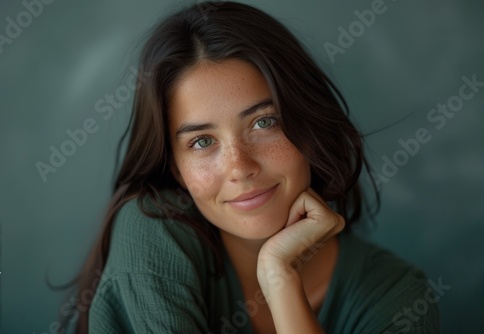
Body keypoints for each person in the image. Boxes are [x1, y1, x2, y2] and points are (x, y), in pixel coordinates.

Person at [69, 1, 440, 333]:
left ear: (308, 125)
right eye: (201, 142)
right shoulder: (152, 235)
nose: (239, 167)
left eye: (264, 122)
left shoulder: (399, 300)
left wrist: (279, 280)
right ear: (177, 169)